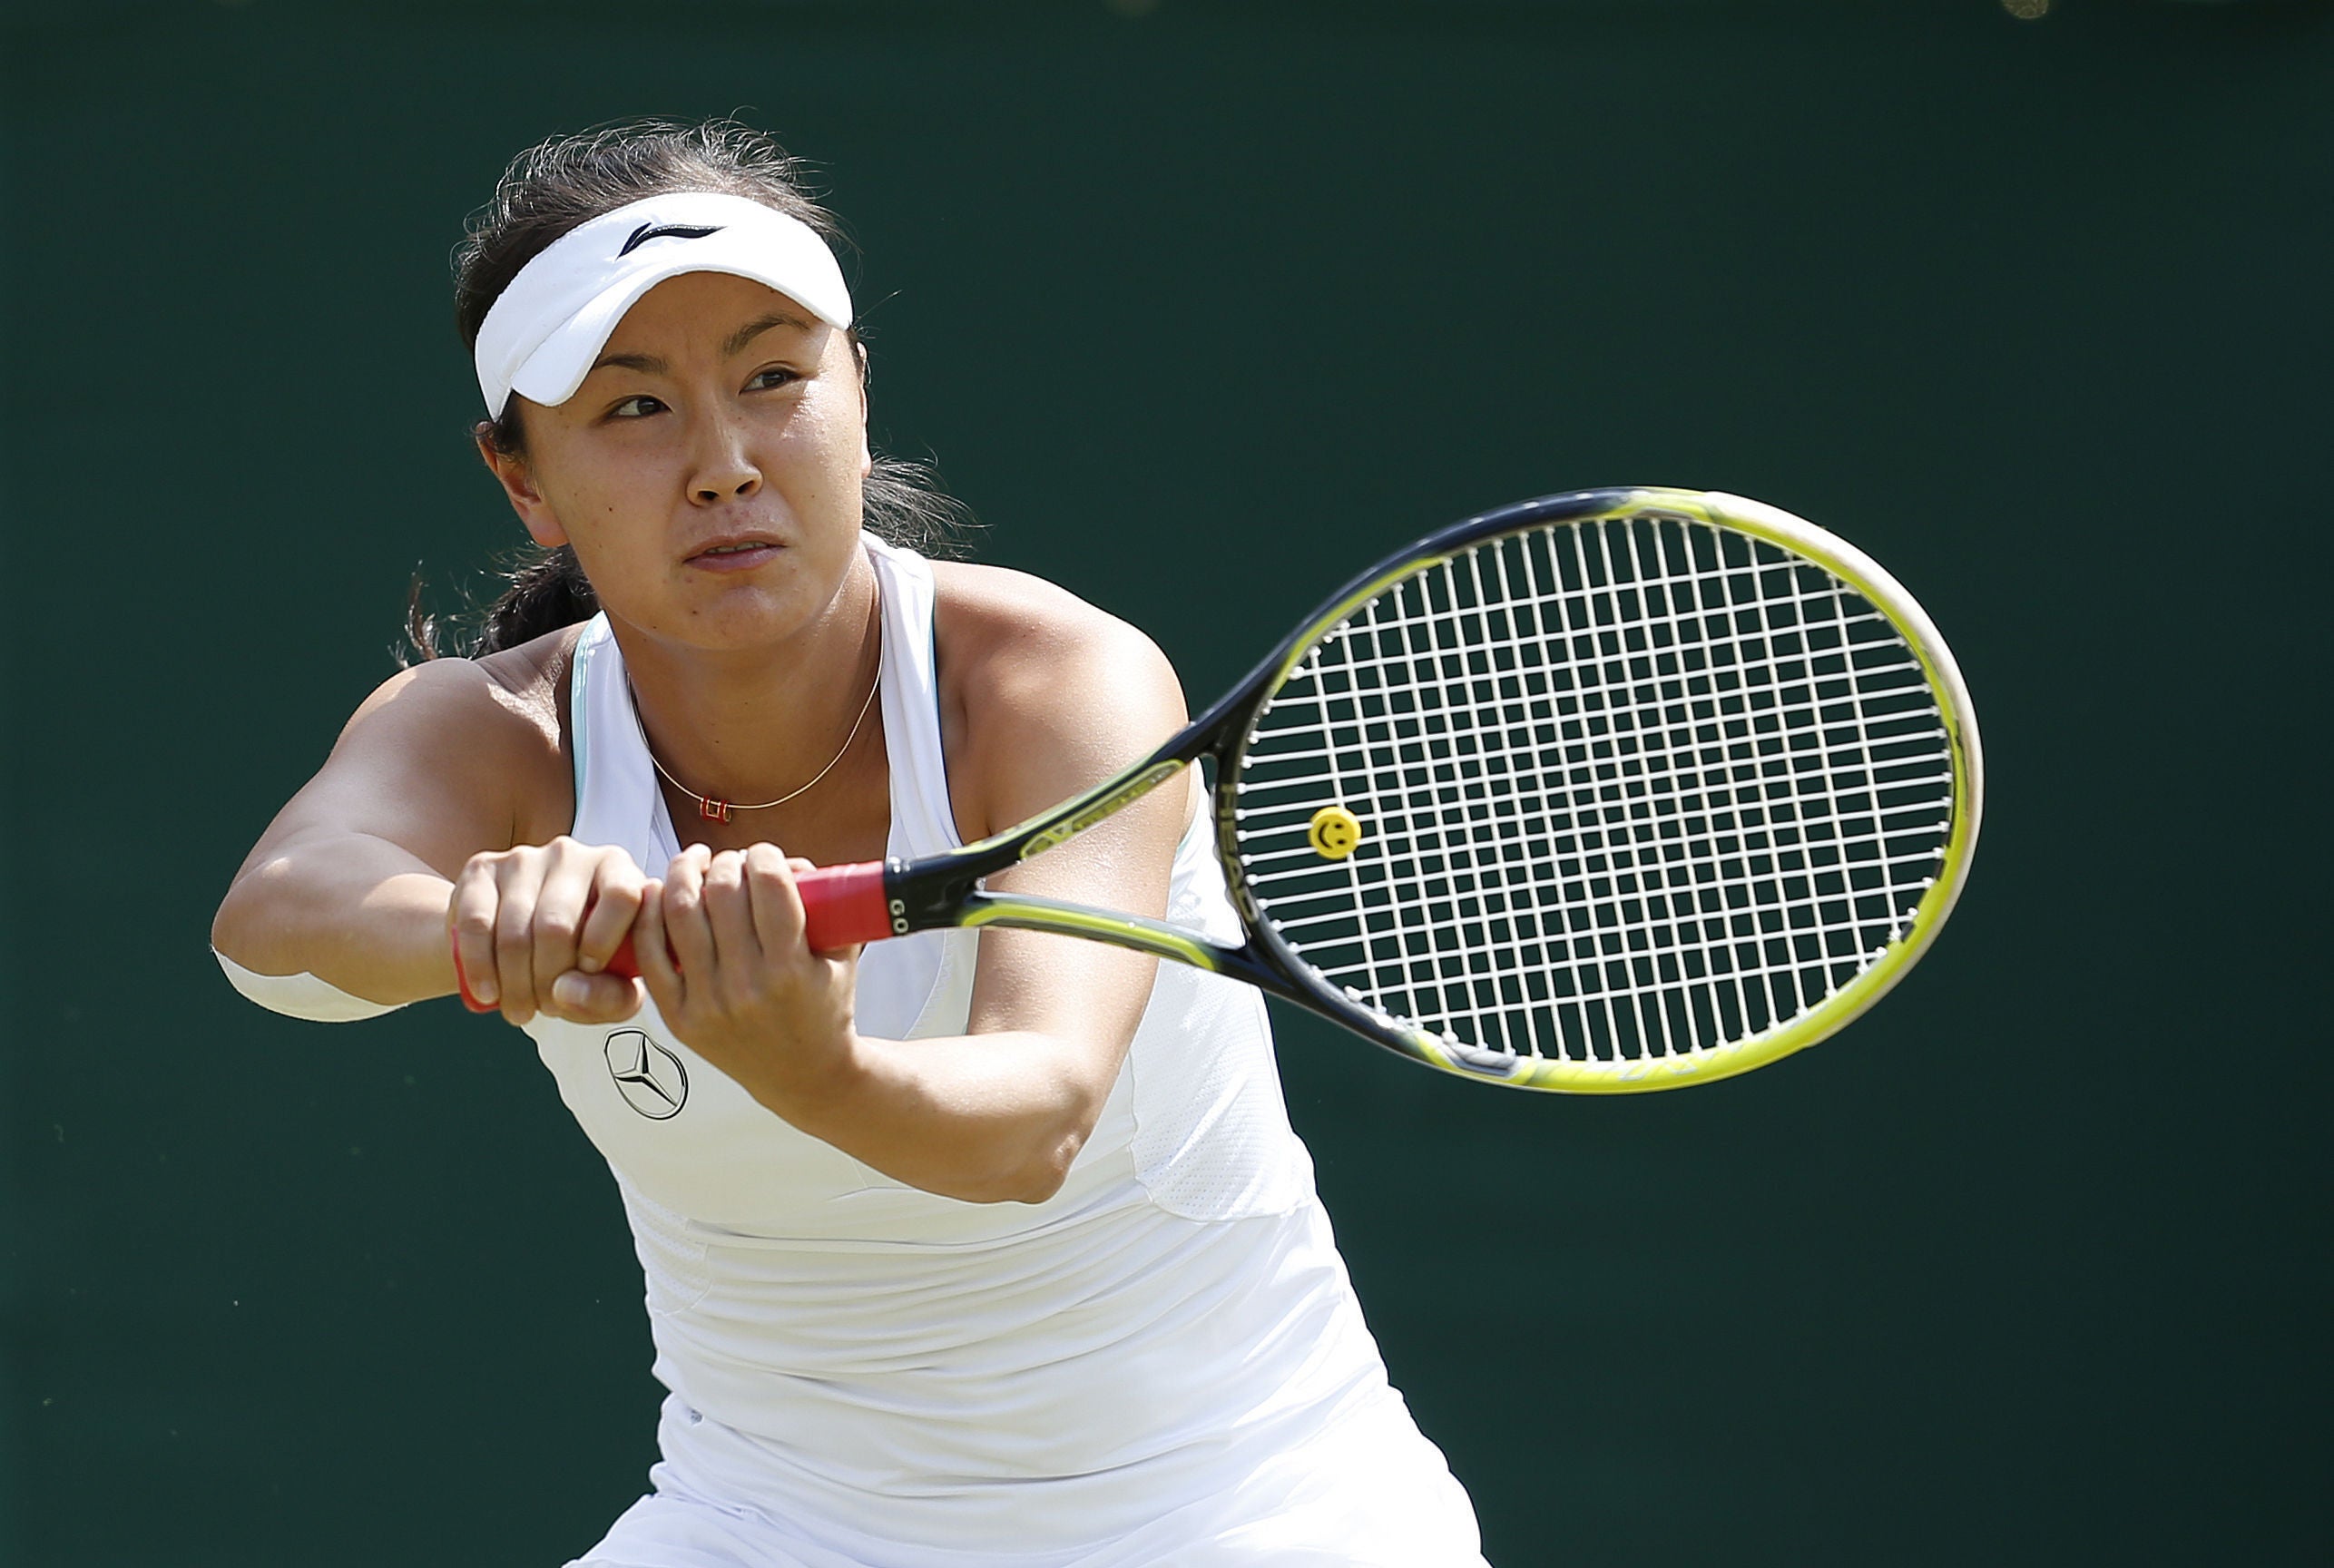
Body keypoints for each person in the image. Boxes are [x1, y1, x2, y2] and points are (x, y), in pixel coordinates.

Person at [211, 120, 1488, 1568]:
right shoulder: (501, 738)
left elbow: (1034, 1122)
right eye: (634, 410)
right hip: (763, 1527)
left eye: (773, 379)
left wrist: (815, 1068)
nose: (723, 463)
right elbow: (276, 923)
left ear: (858, 397)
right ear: (526, 482)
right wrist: (479, 922)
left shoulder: (1053, 685)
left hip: (1243, 1521)